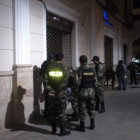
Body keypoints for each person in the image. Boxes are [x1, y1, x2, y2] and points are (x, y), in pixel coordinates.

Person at [44, 53, 71, 136]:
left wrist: (51, 90)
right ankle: (62, 130)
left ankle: (53, 129)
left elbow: (45, 81)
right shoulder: (66, 68)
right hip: (61, 93)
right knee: (61, 112)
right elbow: (69, 80)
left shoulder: (48, 68)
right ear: (62, 59)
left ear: (54, 59)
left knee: (52, 111)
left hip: (52, 94)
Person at [75, 55, 97, 132]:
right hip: (91, 92)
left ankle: (82, 127)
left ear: (80, 61)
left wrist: (75, 92)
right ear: (87, 61)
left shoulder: (78, 70)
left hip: (82, 93)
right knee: (91, 108)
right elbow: (95, 81)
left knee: (82, 109)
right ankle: (92, 125)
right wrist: (94, 90)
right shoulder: (92, 69)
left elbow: (77, 83)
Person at [40, 53, 55, 117]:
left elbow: (40, 73)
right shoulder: (52, 64)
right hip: (51, 84)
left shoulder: (43, 63)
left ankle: (46, 112)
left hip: (45, 83)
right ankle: (50, 113)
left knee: (47, 98)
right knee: (51, 98)